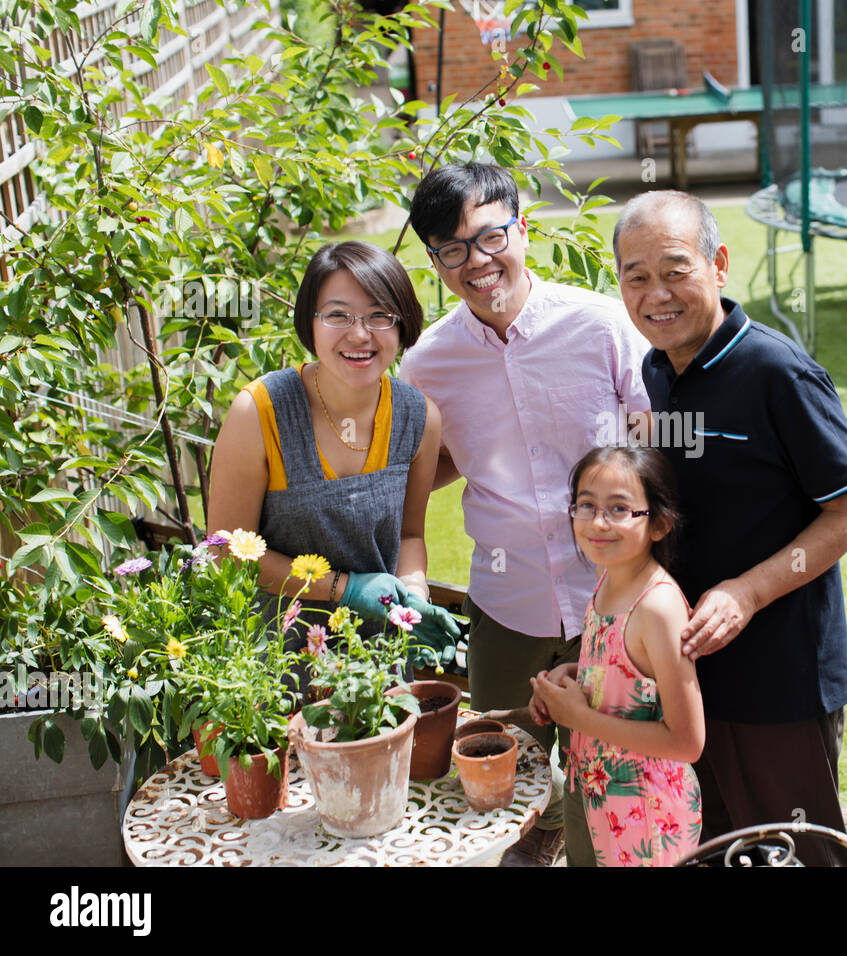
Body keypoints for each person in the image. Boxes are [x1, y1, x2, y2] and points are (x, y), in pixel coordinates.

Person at [612, 190, 847, 866]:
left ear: (719, 264)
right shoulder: (657, 369)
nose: (656, 294)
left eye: (675, 269)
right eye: (635, 276)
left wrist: (749, 593)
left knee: (796, 855)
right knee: (712, 848)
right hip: (692, 674)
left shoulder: (778, 371)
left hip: (780, 677)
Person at [399, 163, 652, 867]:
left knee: (616, 789)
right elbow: (436, 462)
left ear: (522, 228)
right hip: (506, 609)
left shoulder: (601, 324)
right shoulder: (429, 365)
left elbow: (656, 442)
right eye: (453, 248)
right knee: (503, 795)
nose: (477, 262)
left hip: (617, 603)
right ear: (435, 261)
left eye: (489, 237)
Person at [208, 241, 459, 666]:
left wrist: (413, 601)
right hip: (273, 666)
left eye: (380, 315)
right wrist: (344, 587)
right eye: (338, 314)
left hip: (376, 672)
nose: (360, 334)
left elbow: (409, 536)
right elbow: (228, 551)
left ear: (403, 325)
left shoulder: (419, 418)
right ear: (311, 323)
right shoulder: (260, 411)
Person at [528, 445, 704, 867]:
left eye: (619, 509)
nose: (598, 522)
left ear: (658, 524)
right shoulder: (608, 576)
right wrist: (567, 678)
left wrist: (578, 718)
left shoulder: (657, 608)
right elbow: (623, 670)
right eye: (586, 505)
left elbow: (687, 740)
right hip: (598, 796)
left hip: (645, 815)